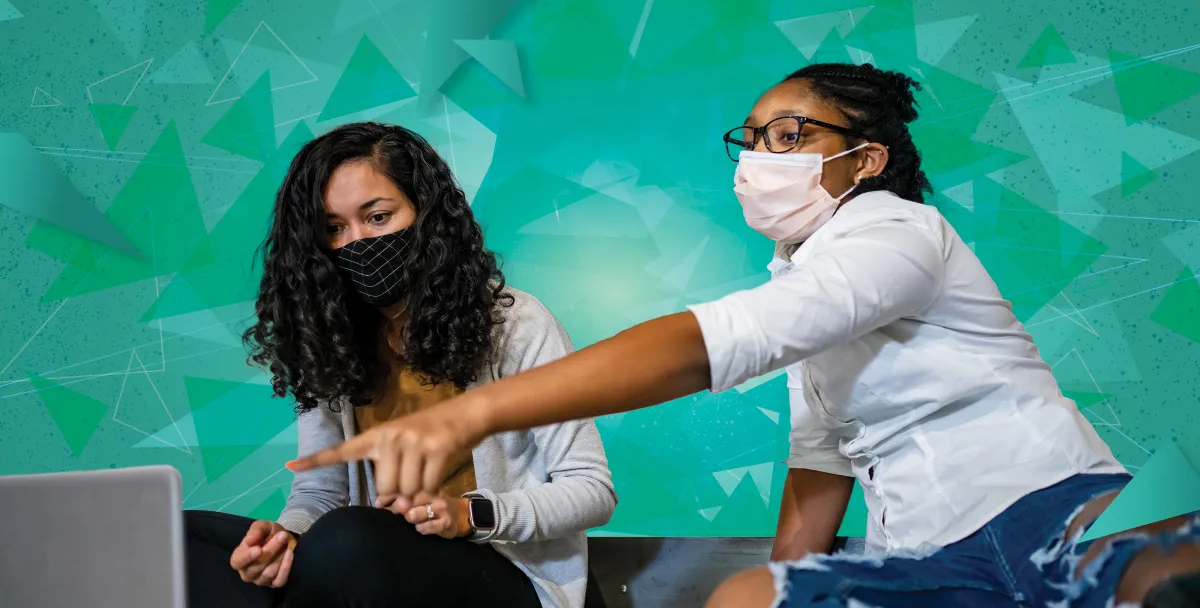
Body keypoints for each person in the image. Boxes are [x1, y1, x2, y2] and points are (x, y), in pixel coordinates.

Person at [289, 65, 1200, 608]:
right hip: (929, 561)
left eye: (790, 134)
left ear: (865, 159)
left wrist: (470, 414)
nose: (762, 158)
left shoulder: (899, 233)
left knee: (1157, 568)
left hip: (1045, 507)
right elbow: (821, 464)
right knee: (748, 597)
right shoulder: (802, 285)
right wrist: (793, 586)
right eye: (754, 139)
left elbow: (719, 342)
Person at [184, 122, 617, 608]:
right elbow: (320, 492)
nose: (357, 242)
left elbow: (591, 490)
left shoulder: (514, 323)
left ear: (425, 213)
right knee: (185, 539)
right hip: (373, 564)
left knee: (349, 538)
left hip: (504, 575)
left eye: (378, 217)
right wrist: (285, 539)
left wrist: (466, 515)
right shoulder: (333, 337)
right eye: (334, 228)